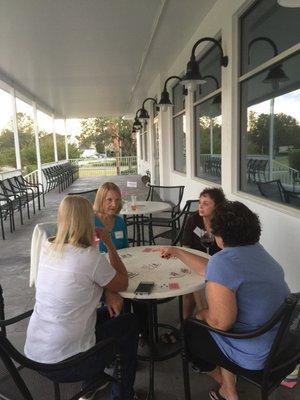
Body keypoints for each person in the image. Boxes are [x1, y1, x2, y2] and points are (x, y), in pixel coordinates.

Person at [161, 201, 290, 400]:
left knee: (190, 329)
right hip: (281, 344)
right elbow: (210, 268)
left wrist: (200, 314)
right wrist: (178, 252)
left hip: (255, 354)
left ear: (219, 235)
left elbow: (221, 323)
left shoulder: (223, 262)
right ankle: (229, 391)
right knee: (224, 321)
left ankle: (223, 382)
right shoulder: (258, 251)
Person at [24, 195, 140, 400]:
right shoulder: (88, 257)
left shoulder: (48, 248)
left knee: (106, 315)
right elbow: (123, 282)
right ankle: (123, 394)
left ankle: (94, 381)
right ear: (88, 220)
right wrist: (108, 242)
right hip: (68, 363)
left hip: (35, 354)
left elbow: (79, 281)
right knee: (130, 323)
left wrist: (108, 290)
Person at [161, 187, 226, 344]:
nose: (200, 207)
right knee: (188, 293)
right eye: (200, 203)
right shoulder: (193, 219)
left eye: (206, 204)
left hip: (218, 267)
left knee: (197, 287)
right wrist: (191, 261)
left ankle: (195, 330)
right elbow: (186, 244)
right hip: (194, 262)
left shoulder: (223, 223)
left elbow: (225, 250)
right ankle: (185, 324)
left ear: (216, 207)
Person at [94, 182, 128, 253]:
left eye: (117, 200)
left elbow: (126, 249)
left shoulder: (120, 222)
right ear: (100, 200)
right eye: (109, 200)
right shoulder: (91, 222)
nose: (114, 205)